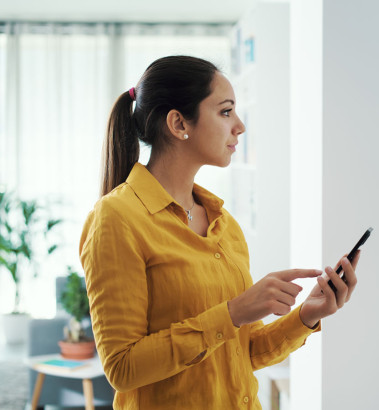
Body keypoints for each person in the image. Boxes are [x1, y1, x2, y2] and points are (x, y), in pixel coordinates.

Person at [79, 55, 359, 409]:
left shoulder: (223, 224)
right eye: (226, 112)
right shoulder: (116, 218)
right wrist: (233, 313)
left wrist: (307, 315)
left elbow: (243, 353)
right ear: (179, 123)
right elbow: (123, 368)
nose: (239, 126)